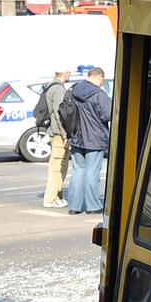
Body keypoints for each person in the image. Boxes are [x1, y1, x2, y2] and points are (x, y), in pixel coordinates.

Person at [60, 66, 113, 215]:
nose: (103, 83)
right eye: (103, 80)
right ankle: (93, 206)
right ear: (99, 77)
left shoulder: (73, 90)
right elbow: (108, 115)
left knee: (78, 171)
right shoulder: (98, 94)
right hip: (95, 138)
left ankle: (74, 206)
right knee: (92, 172)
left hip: (76, 137)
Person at [34, 69, 73, 209]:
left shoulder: (52, 86)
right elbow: (58, 114)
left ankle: (56, 197)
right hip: (58, 134)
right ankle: (51, 198)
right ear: (63, 72)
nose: (71, 74)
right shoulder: (58, 89)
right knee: (57, 167)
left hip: (55, 132)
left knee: (58, 166)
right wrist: (64, 134)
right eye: (69, 71)